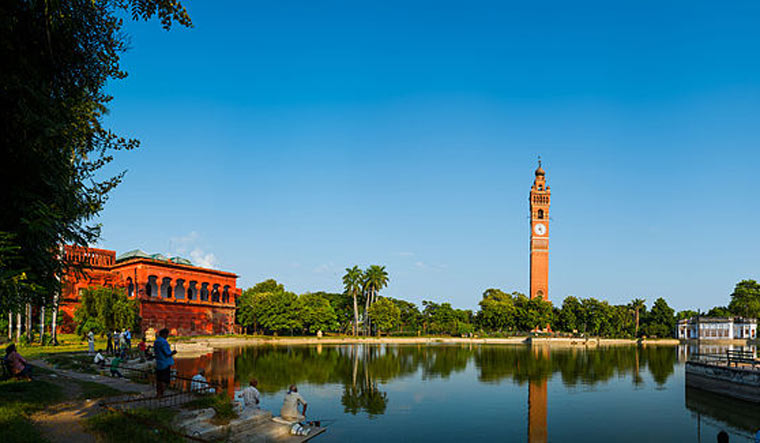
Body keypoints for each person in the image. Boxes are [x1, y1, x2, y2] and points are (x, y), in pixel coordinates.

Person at [154, 328, 177, 397]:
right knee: (164, 380)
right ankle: (162, 394)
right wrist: (173, 352)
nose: (167, 336)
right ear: (164, 334)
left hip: (159, 362)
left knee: (159, 380)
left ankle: (158, 393)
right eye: (167, 335)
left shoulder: (156, 341)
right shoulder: (163, 342)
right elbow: (167, 353)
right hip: (165, 363)